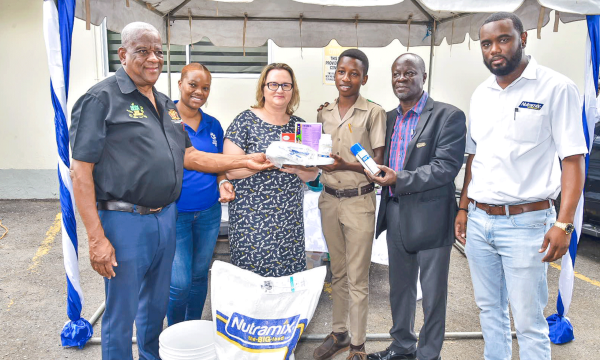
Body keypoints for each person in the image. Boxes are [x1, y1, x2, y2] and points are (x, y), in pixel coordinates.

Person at [69, 22, 270, 360]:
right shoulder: (100, 99)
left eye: (159, 52)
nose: (153, 58)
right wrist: (95, 237)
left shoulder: (166, 105)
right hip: (124, 220)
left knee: (156, 304)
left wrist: (246, 161)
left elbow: (190, 155)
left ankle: (151, 355)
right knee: (122, 310)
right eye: (143, 51)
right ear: (122, 54)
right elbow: (81, 171)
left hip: (165, 216)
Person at [454, 13, 586, 360]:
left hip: (527, 224)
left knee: (528, 322)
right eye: (486, 43)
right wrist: (464, 207)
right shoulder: (481, 94)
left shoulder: (556, 88)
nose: (494, 49)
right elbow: (474, 158)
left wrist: (564, 223)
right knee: (489, 314)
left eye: (503, 40)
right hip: (480, 222)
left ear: (523, 39)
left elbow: (573, 161)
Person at [365, 54, 466, 360]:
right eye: (397, 74)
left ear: (424, 77)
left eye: (410, 73)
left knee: (433, 293)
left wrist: (401, 178)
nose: (402, 79)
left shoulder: (448, 116)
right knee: (400, 288)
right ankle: (402, 346)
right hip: (395, 211)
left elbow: (445, 167)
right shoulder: (389, 118)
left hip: (432, 216)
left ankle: (428, 353)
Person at [313, 49, 386, 360]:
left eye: (354, 73)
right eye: (342, 72)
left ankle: (357, 347)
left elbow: (378, 166)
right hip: (329, 200)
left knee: (357, 277)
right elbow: (317, 153)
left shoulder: (373, 112)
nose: (346, 78)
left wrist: (344, 165)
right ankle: (340, 332)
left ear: (364, 78)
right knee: (338, 273)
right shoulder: (323, 112)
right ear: (335, 74)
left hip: (359, 202)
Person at [223, 63, 319, 277]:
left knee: (286, 279)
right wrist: (262, 164)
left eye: (286, 85)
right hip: (251, 219)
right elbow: (230, 170)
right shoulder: (244, 121)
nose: (279, 90)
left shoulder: (300, 127)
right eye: (273, 84)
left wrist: (297, 170)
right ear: (263, 88)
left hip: (288, 220)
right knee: (251, 280)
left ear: (293, 91)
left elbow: (313, 175)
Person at [166, 63, 234, 326]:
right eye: (193, 85)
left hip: (208, 213)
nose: (199, 92)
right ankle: (174, 333)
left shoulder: (212, 125)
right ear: (180, 84)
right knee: (179, 282)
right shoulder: (165, 118)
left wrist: (222, 182)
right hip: (175, 213)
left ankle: (192, 329)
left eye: (205, 87)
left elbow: (218, 164)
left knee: (198, 276)